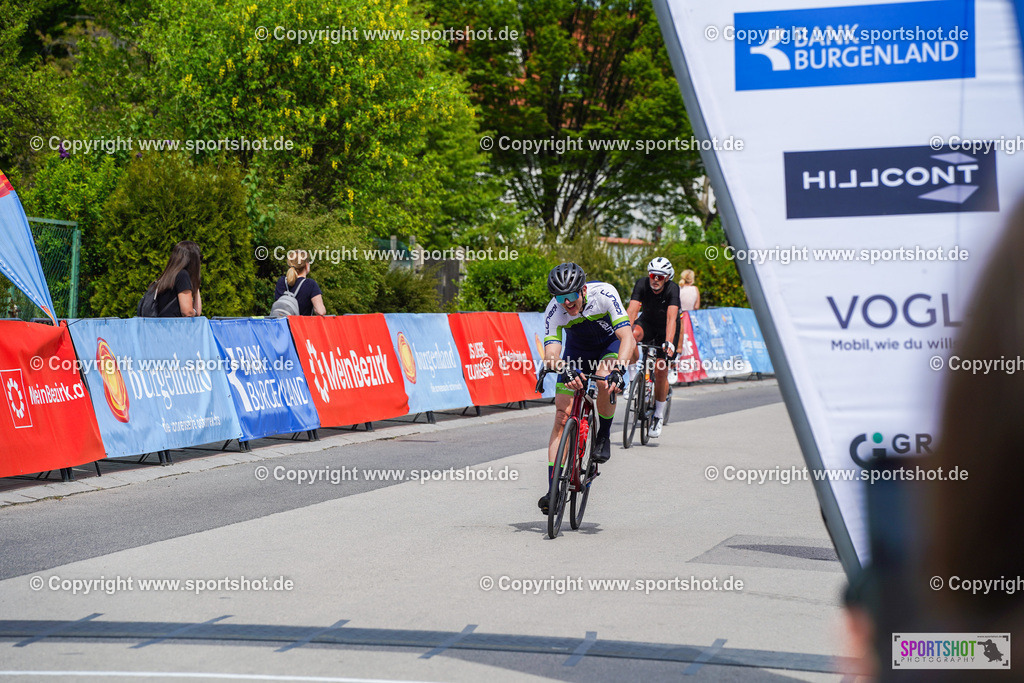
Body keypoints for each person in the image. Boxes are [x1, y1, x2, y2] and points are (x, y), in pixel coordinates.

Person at [539, 262, 635, 515]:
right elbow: (550, 353)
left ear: (582, 290)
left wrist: (619, 370)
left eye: (571, 296)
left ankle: (603, 434)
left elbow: (627, 336)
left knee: (604, 380)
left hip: (608, 347)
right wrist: (564, 368)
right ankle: (553, 489)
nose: (567, 303)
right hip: (577, 353)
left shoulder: (604, 294)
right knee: (562, 415)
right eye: (560, 297)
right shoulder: (555, 311)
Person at [626, 257, 680, 438]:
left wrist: (669, 342)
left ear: (667, 278)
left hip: (666, 330)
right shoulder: (641, 284)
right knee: (631, 336)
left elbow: (672, 318)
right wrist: (623, 331)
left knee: (660, 369)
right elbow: (632, 311)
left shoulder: (673, 289)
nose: (655, 280)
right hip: (647, 323)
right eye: (652, 275)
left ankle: (658, 414)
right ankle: (633, 379)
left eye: (660, 277)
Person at [149, 240, 203, 317]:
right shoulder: (182, 276)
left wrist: (195, 284)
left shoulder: (167, 277)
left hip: (162, 326)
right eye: (199, 258)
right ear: (193, 260)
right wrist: (193, 312)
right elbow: (188, 312)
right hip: (175, 327)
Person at [274, 250, 326, 316]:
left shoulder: (281, 281)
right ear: (306, 265)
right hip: (300, 325)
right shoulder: (310, 284)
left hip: (283, 325)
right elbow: (321, 311)